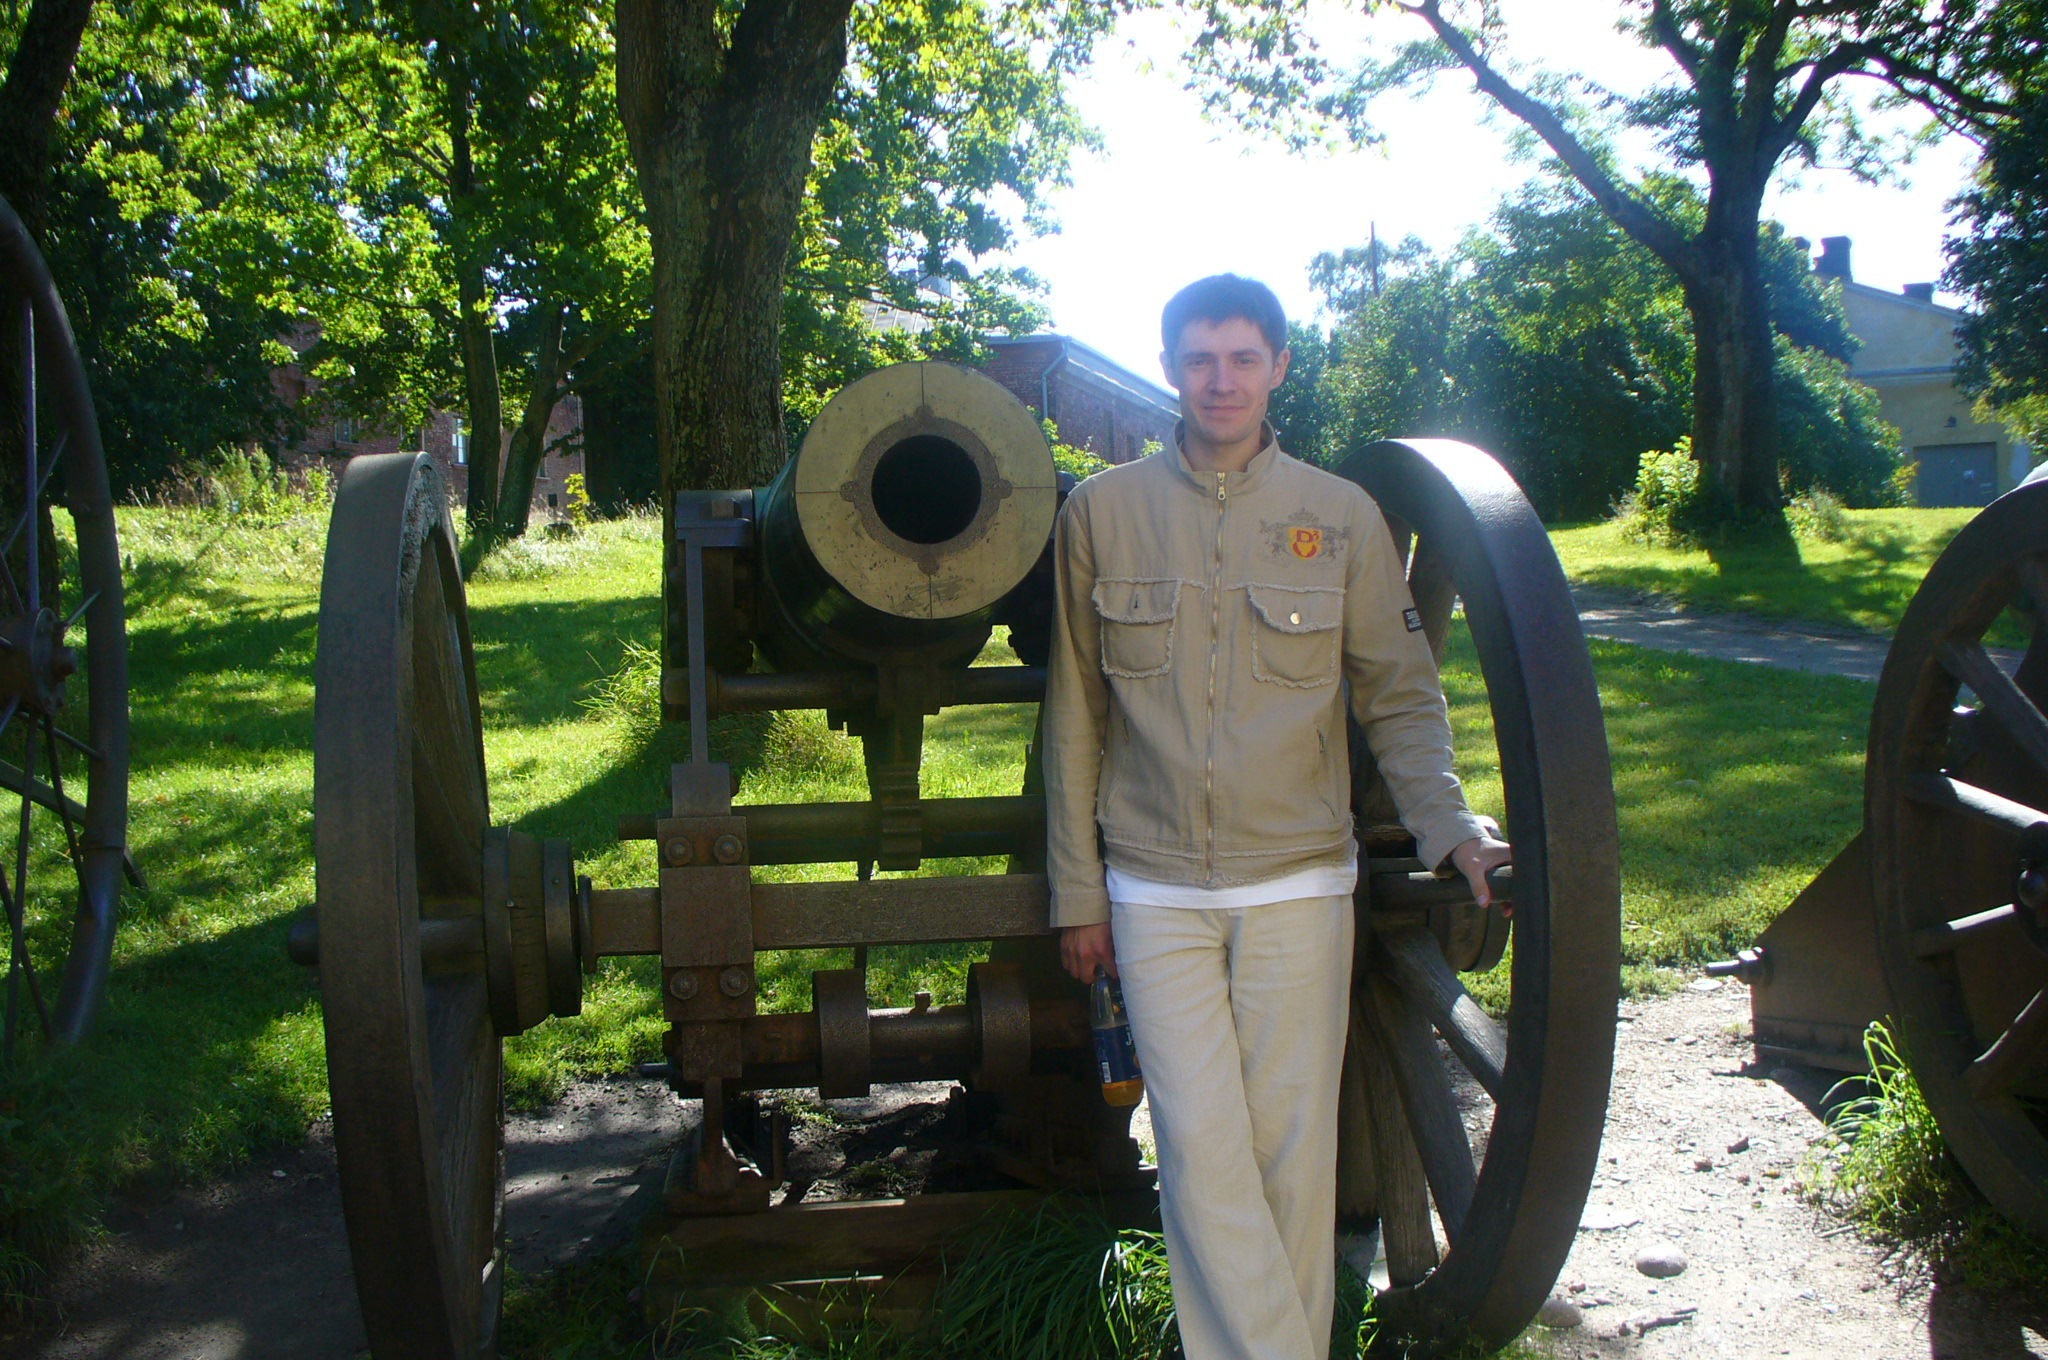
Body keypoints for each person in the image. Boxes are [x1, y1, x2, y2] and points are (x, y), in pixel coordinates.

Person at [1042, 273, 1512, 1360]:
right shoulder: (1101, 513)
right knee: (1200, 1150)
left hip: (1300, 881)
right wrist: (1077, 890)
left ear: (1278, 367)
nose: (1221, 380)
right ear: (1170, 367)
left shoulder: (1338, 517)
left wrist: (1446, 827)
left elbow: (1400, 694)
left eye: (1243, 358)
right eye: (1200, 358)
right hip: (1153, 887)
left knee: (1294, 1157)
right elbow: (1073, 713)